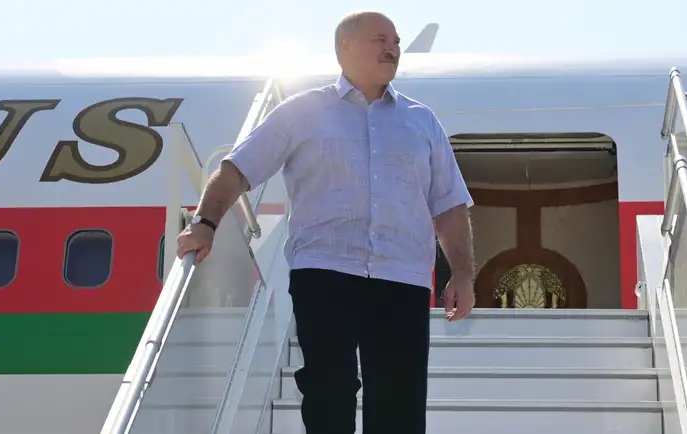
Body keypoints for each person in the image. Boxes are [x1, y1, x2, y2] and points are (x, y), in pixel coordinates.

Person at [176, 10, 477, 434]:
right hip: (325, 273)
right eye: (380, 39)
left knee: (400, 406)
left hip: (402, 278)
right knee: (328, 393)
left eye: (396, 41)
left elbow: (449, 206)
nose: (393, 48)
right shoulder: (302, 112)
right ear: (345, 47)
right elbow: (235, 170)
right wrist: (205, 223)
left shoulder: (422, 121)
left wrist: (462, 274)